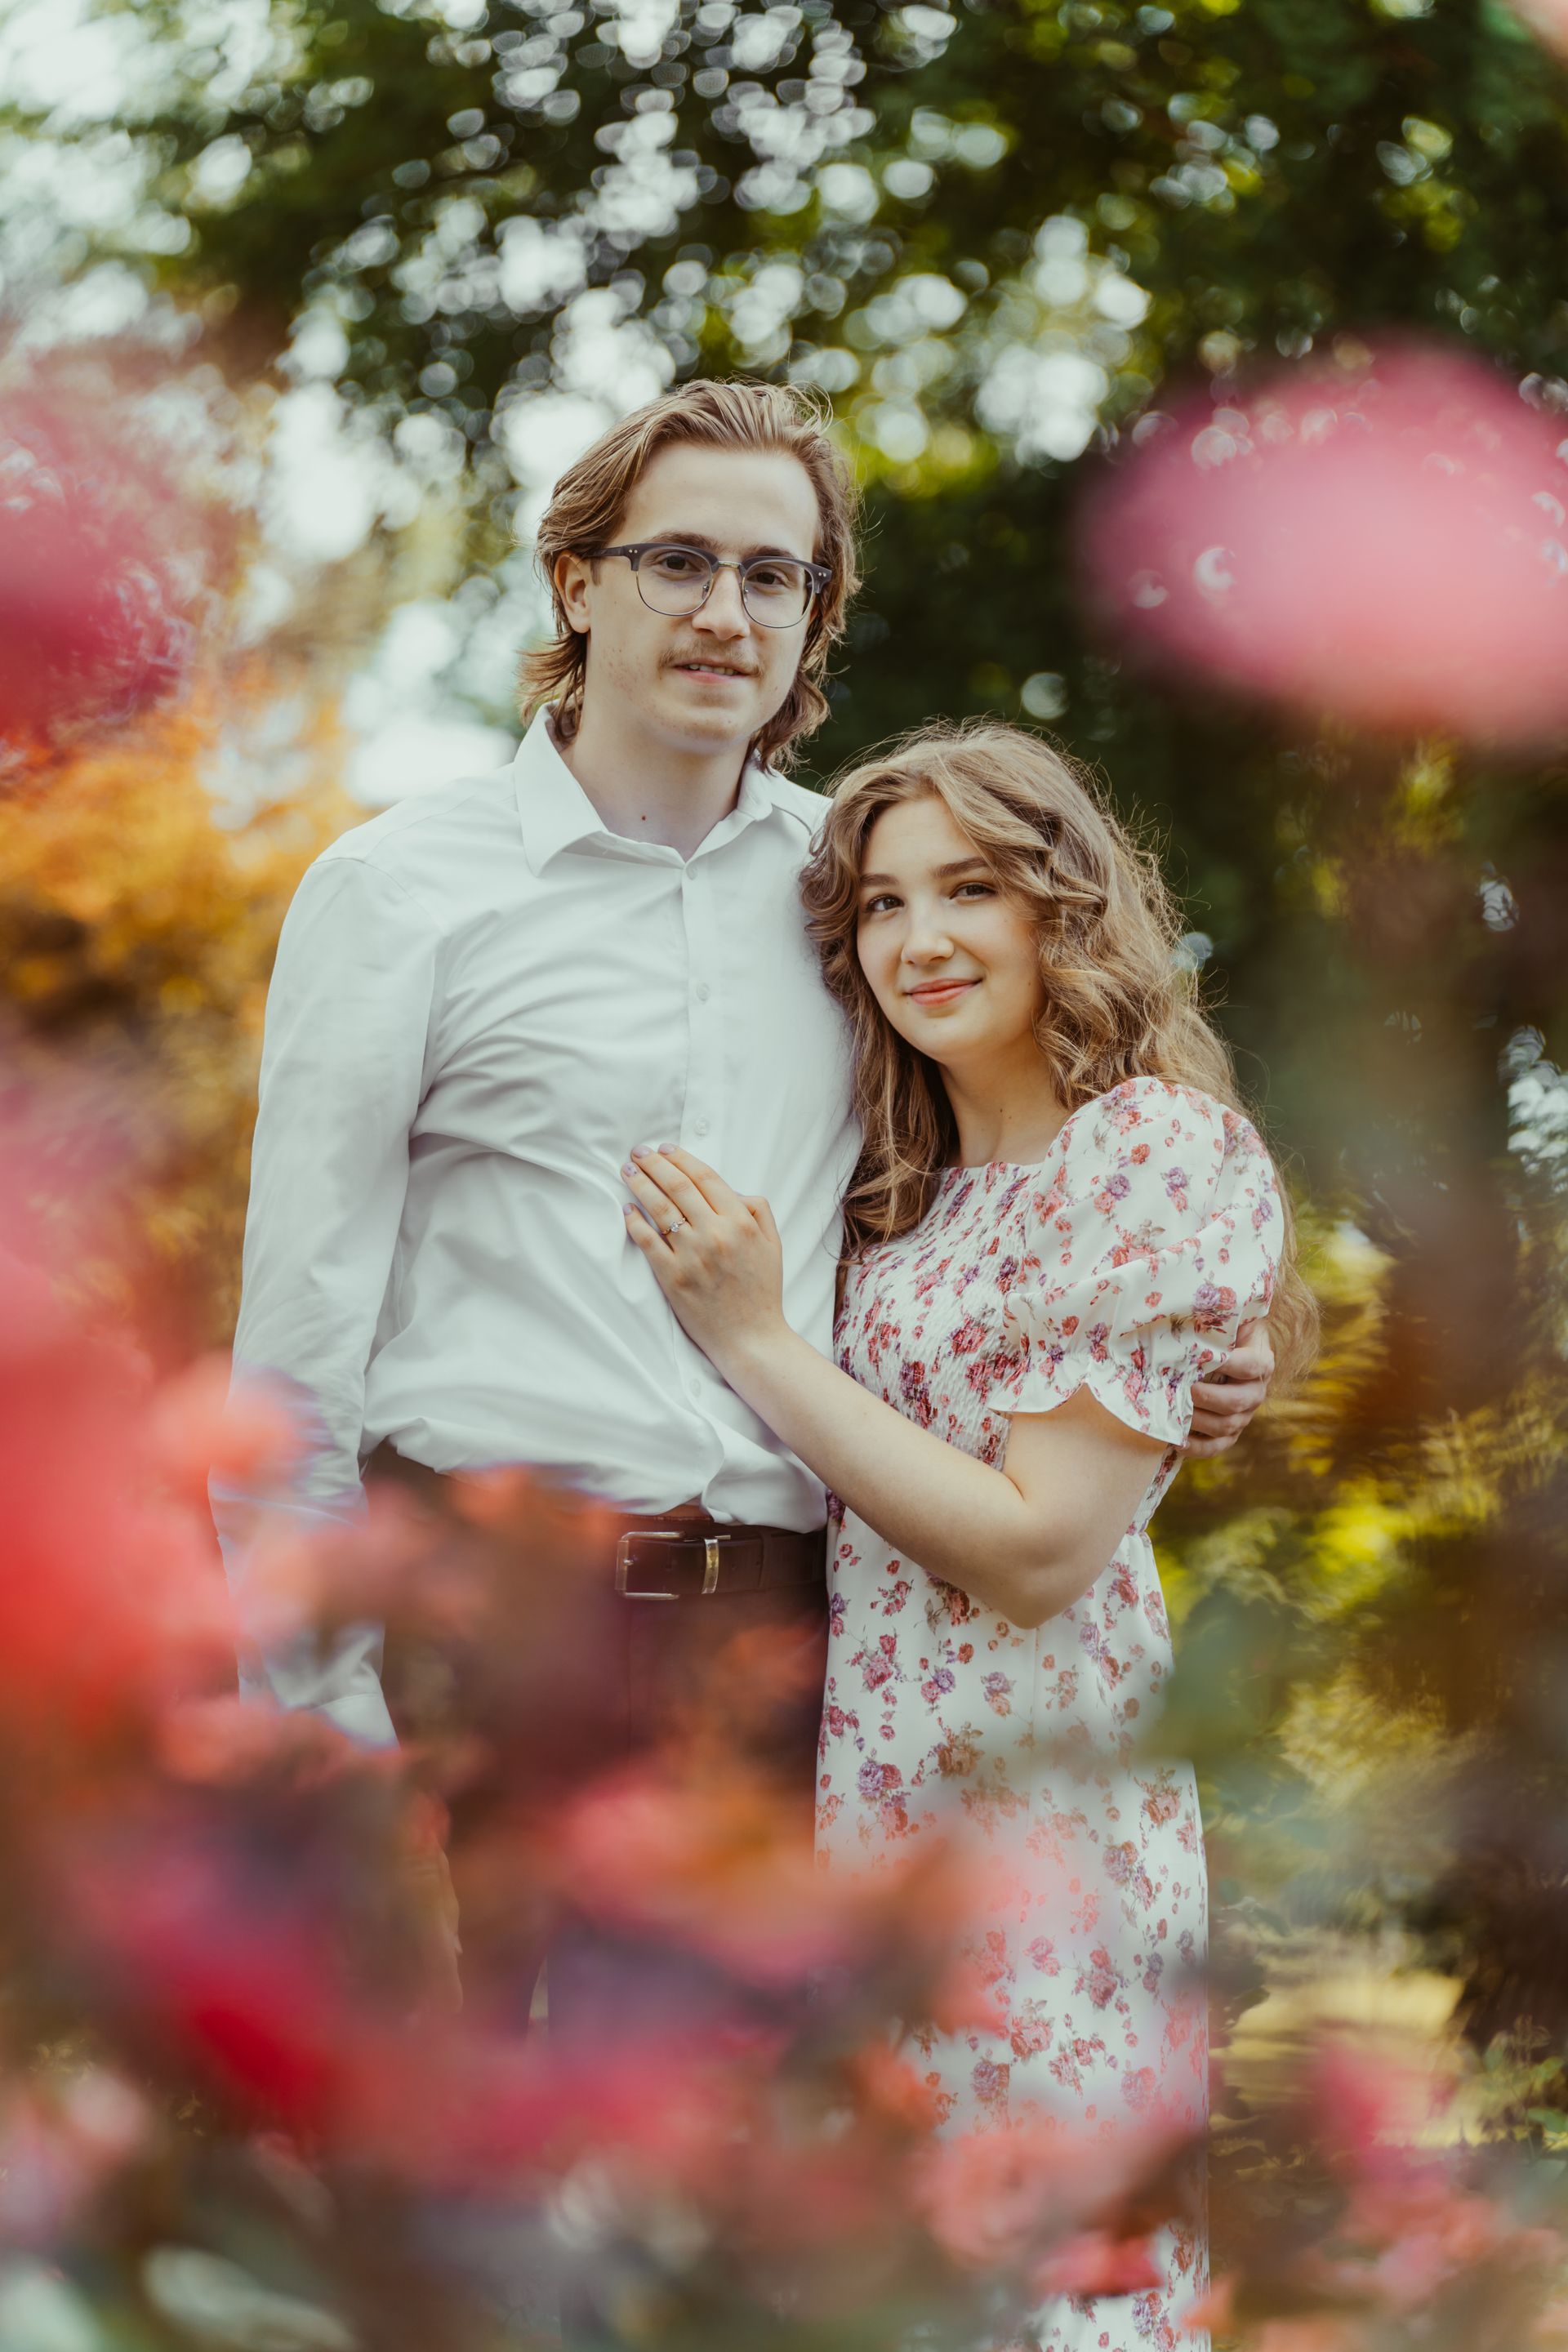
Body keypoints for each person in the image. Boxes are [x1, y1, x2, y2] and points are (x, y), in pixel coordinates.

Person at [212, 379, 1276, 2034]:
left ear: (813, 616)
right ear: (579, 583)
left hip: (796, 1655)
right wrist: (327, 1748)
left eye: (773, 575)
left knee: (735, 2181)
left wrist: (1174, 1356)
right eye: (679, 561)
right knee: (447, 2160)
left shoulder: (860, 896)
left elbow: (1006, 1202)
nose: (727, 611)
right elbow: (293, 1357)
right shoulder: (397, 893)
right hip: (491, 1639)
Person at [619, 719, 1316, 2351]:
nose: (920, 939)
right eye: (882, 905)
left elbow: (1035, 1551)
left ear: (1061, 906)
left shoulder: (1148, 1148)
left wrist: (757, 1337)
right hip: (876, 1818)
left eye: (971, 890)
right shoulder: (899, 1192)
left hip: (1043, 1830)